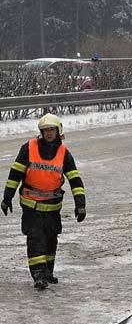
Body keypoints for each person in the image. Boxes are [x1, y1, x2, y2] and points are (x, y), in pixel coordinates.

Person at [2, 114, 86, 290]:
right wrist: (7, 197)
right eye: (46, 130)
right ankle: (38, 274)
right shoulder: (28, 148)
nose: (49, 134)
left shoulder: (64, 153)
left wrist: (80, 204)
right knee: (35, 239)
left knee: (50, 239)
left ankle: (48, 271)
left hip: (53, 207)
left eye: (52, 130)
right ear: (41, 132)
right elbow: (15, 174)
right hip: (31, 205)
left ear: (58, 131)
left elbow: (75, 179)